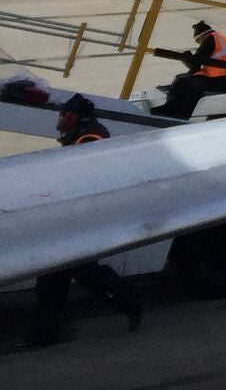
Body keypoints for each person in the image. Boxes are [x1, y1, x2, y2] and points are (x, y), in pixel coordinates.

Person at [25, 96, 144, 347]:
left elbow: (81, 178)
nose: (59, 120)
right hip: (78, 217)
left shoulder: (89, 140)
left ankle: (43, 334)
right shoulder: (86, 135)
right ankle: (130, 304)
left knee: (55, 278)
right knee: (83, 274)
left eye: (62, 115)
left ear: (72, 117)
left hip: (79, 219)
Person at [161, 18, 226, 120]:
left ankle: (177, 112)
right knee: (186, 79)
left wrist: (186, 59)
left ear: (201, 36)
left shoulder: (209, 40)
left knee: (184, 82)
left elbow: (196, 64)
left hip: (219, 78)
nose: (199, 43)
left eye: (198, 41)